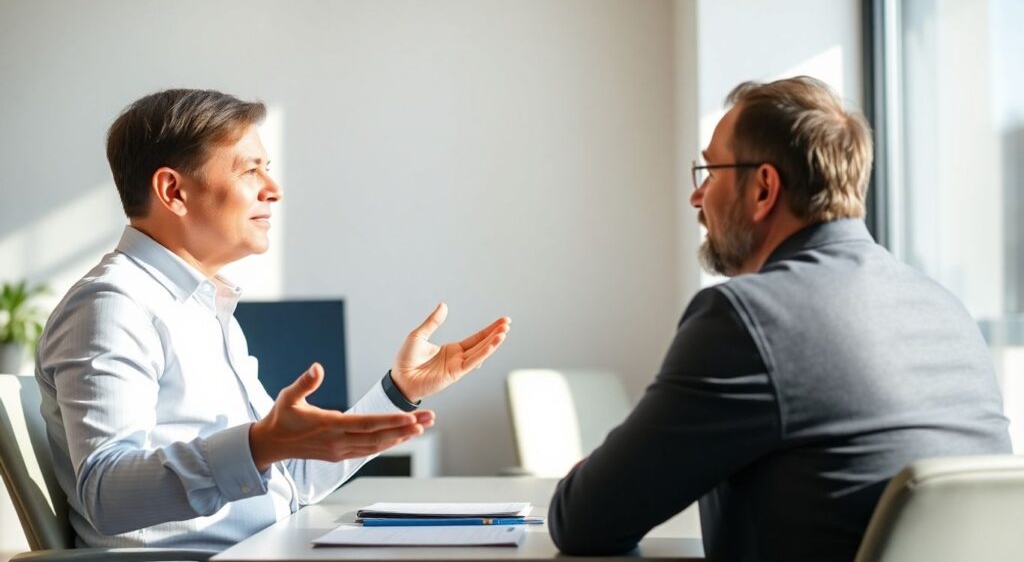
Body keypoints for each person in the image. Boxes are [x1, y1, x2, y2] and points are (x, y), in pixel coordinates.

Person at [547, 76, 1011, 562]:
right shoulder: (949, 313)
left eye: (710, 172)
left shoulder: (748, 319)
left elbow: (584, 520)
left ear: (764, 188)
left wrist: (591, 477)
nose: (697, 197)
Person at [35, 89, 511, 551]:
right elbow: (108, 494)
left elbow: (291, 482)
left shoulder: (204, 308)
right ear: (173, 190)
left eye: (269, 169)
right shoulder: (113, 305)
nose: (274, 189)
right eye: (250, 170)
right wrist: (258, 445)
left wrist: (398, 391)